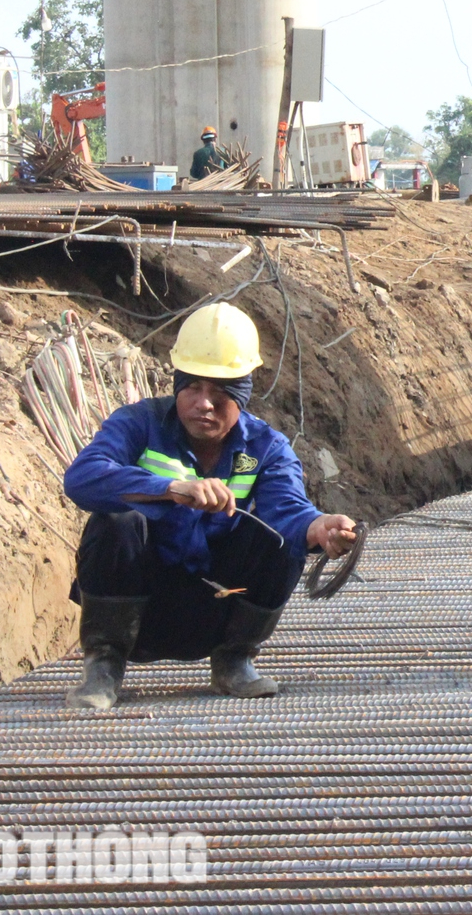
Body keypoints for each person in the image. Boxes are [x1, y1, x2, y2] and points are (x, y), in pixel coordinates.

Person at [62, 303, 358, 708]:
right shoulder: (138, 424)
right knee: (117, 520)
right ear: (177, 384)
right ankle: (104, 665)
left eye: (221, 393)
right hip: (136, 608)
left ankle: (235, 659)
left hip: (213, 608)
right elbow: (82, 478)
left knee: (278, 540)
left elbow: (287, 509)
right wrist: (169, 489)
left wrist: (318, 527)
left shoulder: (266, 448)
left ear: (243, 396)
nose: (204, 403)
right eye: (193, 388)